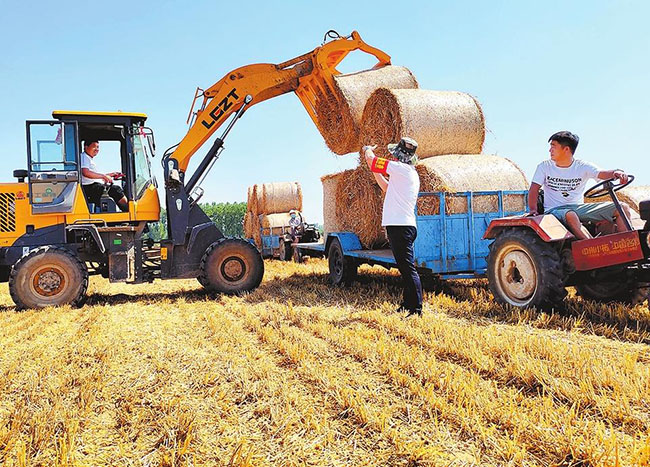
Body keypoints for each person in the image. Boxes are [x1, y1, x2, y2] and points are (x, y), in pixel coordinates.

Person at [529, 131, 632, 240]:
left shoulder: (582, 166)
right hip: (554, 210)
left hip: (578, 208)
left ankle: (626, 244)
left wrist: (617, 172)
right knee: (571, 215)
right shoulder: (544, 167)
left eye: (553, 146)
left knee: (622, 208)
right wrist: (533, 210)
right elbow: (534, 189)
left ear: (566, 149)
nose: (550, 150)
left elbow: (602, 173)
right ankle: (592, 247)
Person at [363, 137, 423, 317]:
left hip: (401, 226)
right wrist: (375, 171)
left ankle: (416, 308)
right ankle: (407, 304)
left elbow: (372, 161)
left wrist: (367, 149)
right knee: (404, 268)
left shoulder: (400, 169)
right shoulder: (406, 173)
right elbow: (385, 187)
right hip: (402, 226)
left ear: (399, 156)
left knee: (408, 268)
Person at [80, 140, 128, 212]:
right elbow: (85, 172)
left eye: (98, 147)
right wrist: (103, 176)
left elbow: (94, 176)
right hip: (88, 188)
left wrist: (110, 175)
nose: (97, 149)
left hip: (92, 186)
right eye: (94, 147)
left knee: (112, 189)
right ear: (86, 147)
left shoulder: (88, 158)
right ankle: (129, 211)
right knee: (116, 190)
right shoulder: (84, 157)